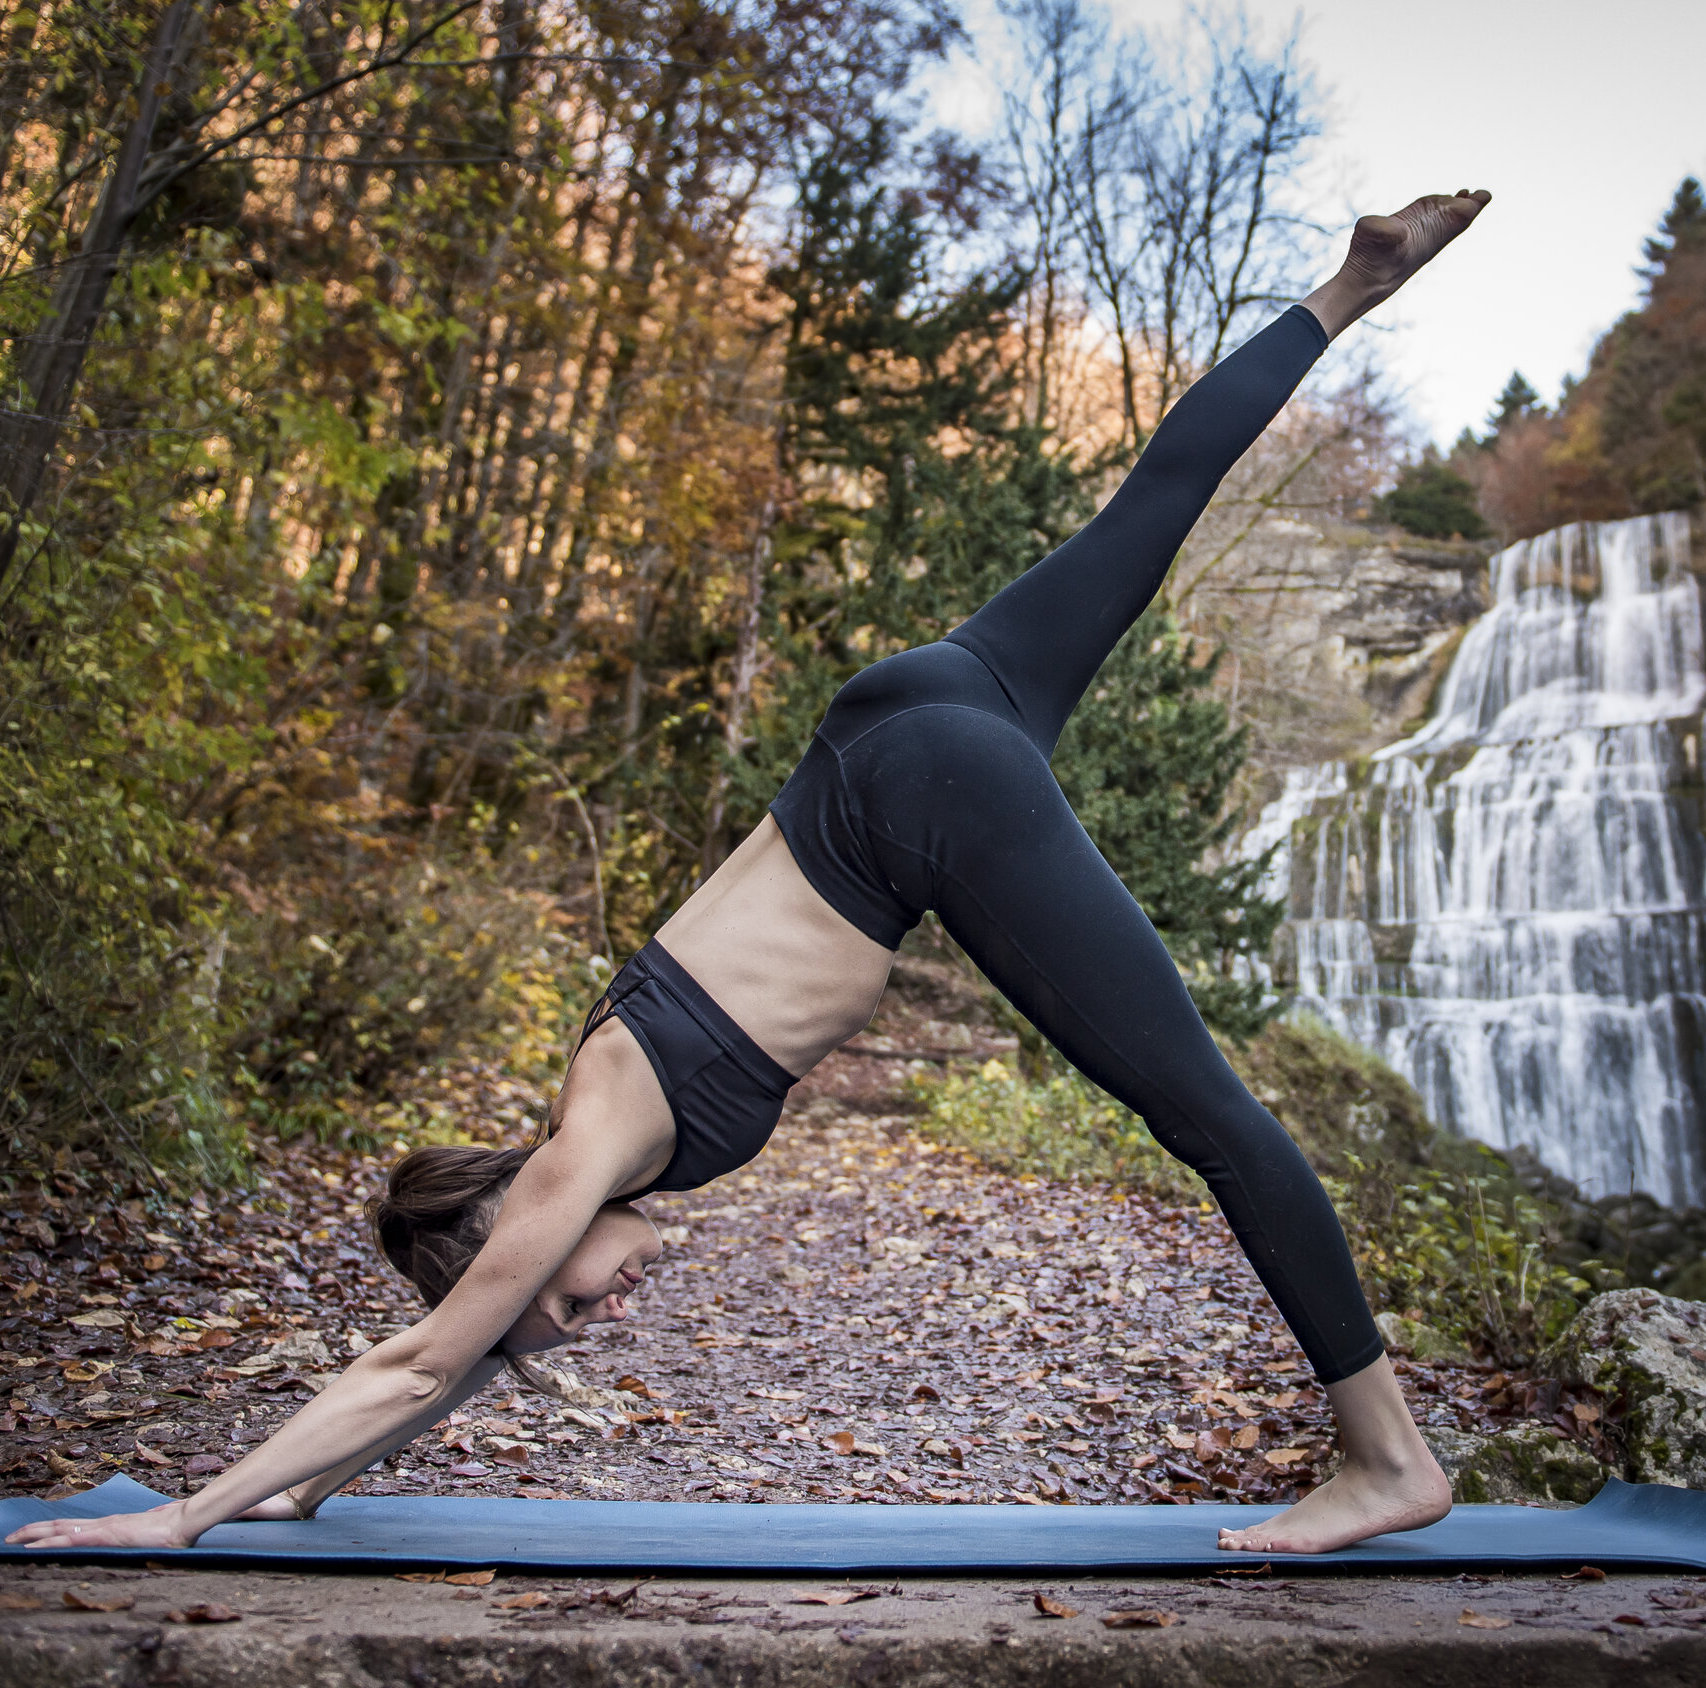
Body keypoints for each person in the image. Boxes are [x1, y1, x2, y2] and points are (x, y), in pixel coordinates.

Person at [7, 189, 1489, 1559]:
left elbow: (426, 1347)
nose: (589, 1316)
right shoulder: (587, 1133)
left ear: (514, 1231)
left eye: (558, 1301)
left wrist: (186, 1517)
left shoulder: (581, 1150)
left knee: (1209, 1118)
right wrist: (317, 1484)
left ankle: (1386, 1460)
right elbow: (449, 1358)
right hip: (911, 712)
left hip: (915, 799)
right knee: (1144, 510)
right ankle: (1348, 287)